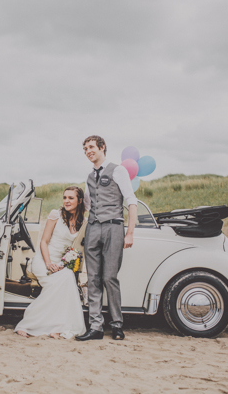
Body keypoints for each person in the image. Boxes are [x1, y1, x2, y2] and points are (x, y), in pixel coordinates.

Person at [76, 135, 137, 341]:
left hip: (113, 227)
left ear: (102, 148)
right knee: (93, 279)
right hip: (93, 228)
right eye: (85, 149)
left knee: (110, 278)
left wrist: (130, 232)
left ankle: (117, 325)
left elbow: (131, 201)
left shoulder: (117, 170)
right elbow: (87, 205)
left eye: (91, 147)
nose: (88, 151)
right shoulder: (89, 176)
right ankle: (96, 327)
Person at [15, 186, 87, 339]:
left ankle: (59, 327)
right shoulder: (56, 215)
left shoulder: (83, 222)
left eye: (71, 198)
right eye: (64, 197)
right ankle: (28, 324)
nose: (66, 201)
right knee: (57, 283)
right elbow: (43, 242)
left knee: (68, 276)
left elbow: (77, 248)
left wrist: (64, 263)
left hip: (60, 263)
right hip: (44, 260)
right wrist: (48, 263)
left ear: (79, 201)